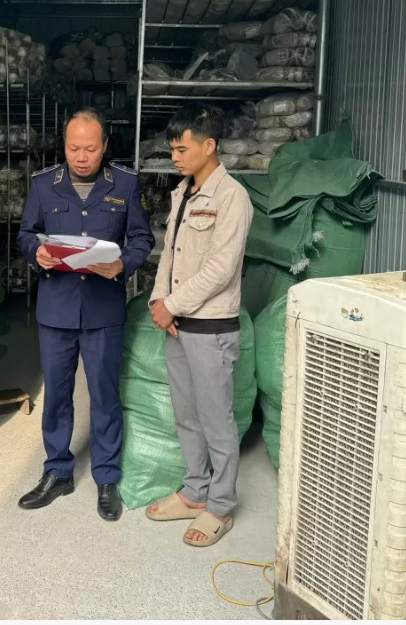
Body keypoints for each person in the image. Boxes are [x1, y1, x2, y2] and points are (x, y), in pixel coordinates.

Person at [17, 107, 155, 521]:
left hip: (102, 309)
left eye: (90, 149)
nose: (81, 157)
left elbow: (142, 237)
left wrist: (123, 264)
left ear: (105, 146)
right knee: (57, 395)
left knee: (105, 395)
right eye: (74, 148)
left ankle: (107, 478)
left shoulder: (124, 183)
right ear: (64, 145)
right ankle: (57, 471)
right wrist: (36, 252)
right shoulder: (44, 183)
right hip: (56, 308)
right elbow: (26, 233)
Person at [145, 103, 253, 547]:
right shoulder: (183, 192)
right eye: (172, 149)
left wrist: (172, 304)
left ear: (209, 146)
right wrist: (158, 300)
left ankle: (221, 505)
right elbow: (169, 256)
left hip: (211, 326)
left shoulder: (232, 197)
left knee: (216, 421)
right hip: (178, 323)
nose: (175, 157)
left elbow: (220, 270)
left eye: (182, 149)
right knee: (186, 414)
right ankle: (195, 491)